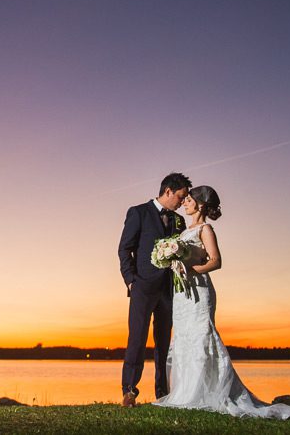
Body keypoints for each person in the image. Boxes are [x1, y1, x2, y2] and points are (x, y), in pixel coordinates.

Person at [154, 185, 290, 421]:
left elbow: (216, 261)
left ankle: (205, 393)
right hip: (183, 293)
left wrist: (193, 270)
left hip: (200, 289)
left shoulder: (205, 229)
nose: (184, 203)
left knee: (201, 336)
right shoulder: (184, 231)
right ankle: (185, 392)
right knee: (184, 336)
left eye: (189, 200)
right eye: (184, 199)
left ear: (201, 205)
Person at [118, 172, 192, 407]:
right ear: (168, 191)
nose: (182, 202)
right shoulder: (138, 212)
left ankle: (162, 392)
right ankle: (129, 391)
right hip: (142, 287)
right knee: (137, 338)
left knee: (163, 342)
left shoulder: (178, 221)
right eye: (180, 196)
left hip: (169, 289)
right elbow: (124, 249)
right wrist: (131, 281)